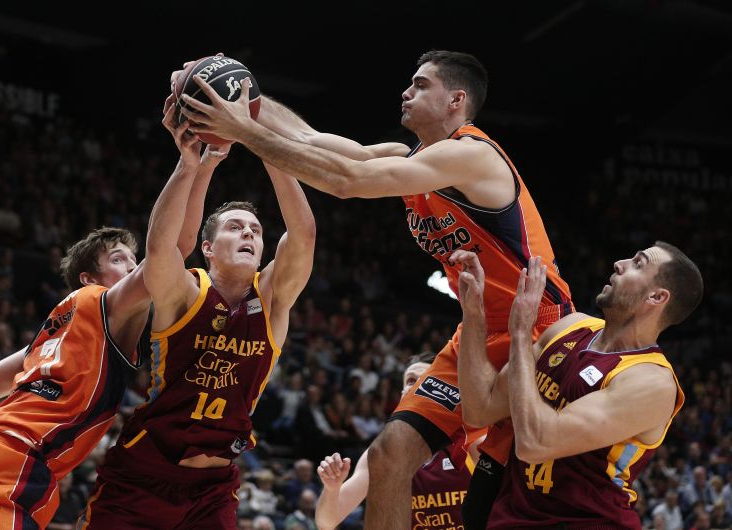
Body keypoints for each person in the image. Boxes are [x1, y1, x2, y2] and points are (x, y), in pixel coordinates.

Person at [180, 49, 573, 529]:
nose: (405, 92)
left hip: (536, 329)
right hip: (475, 328)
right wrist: (246, 100)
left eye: (420, 85)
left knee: (507, 494)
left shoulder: (474, 156)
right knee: (389, 456)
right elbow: (308, 139)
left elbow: (348, 181)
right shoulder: (415, 159)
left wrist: (242, 130)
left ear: (456, 99)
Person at [0, 145, 226, 529]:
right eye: (119, 259)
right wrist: (195, 165)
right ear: (89, 279)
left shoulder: (39, 349)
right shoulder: (102, 303)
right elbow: (171, 251)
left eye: (132, 259)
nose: (133, 265)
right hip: (12, 474)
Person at [77, 102, 316, 528]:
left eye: (256, 231)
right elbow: (160, 247)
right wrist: (192, 166)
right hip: (142, 476)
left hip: (213, 488)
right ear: (207, 249)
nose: (248, 233)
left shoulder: (274, 299)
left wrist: (264, 143)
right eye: (234, 227)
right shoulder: (186, 292)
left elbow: (303, 233)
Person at [453, 241, 702, 528]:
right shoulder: (571, 327)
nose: (619, 263)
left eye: (638, 263)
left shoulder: (651, 381)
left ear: (657, 297)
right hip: (515, 514)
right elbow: (479, 409)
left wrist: (521, 332)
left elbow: (535, 442)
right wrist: (473, 314)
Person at [316, 352, 475, 530]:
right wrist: (331, 489)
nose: (414, 386)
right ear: (401, 394)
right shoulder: (382, 454)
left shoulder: (472, 442)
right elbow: (327, 522)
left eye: (425, 380)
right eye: (410, 381)